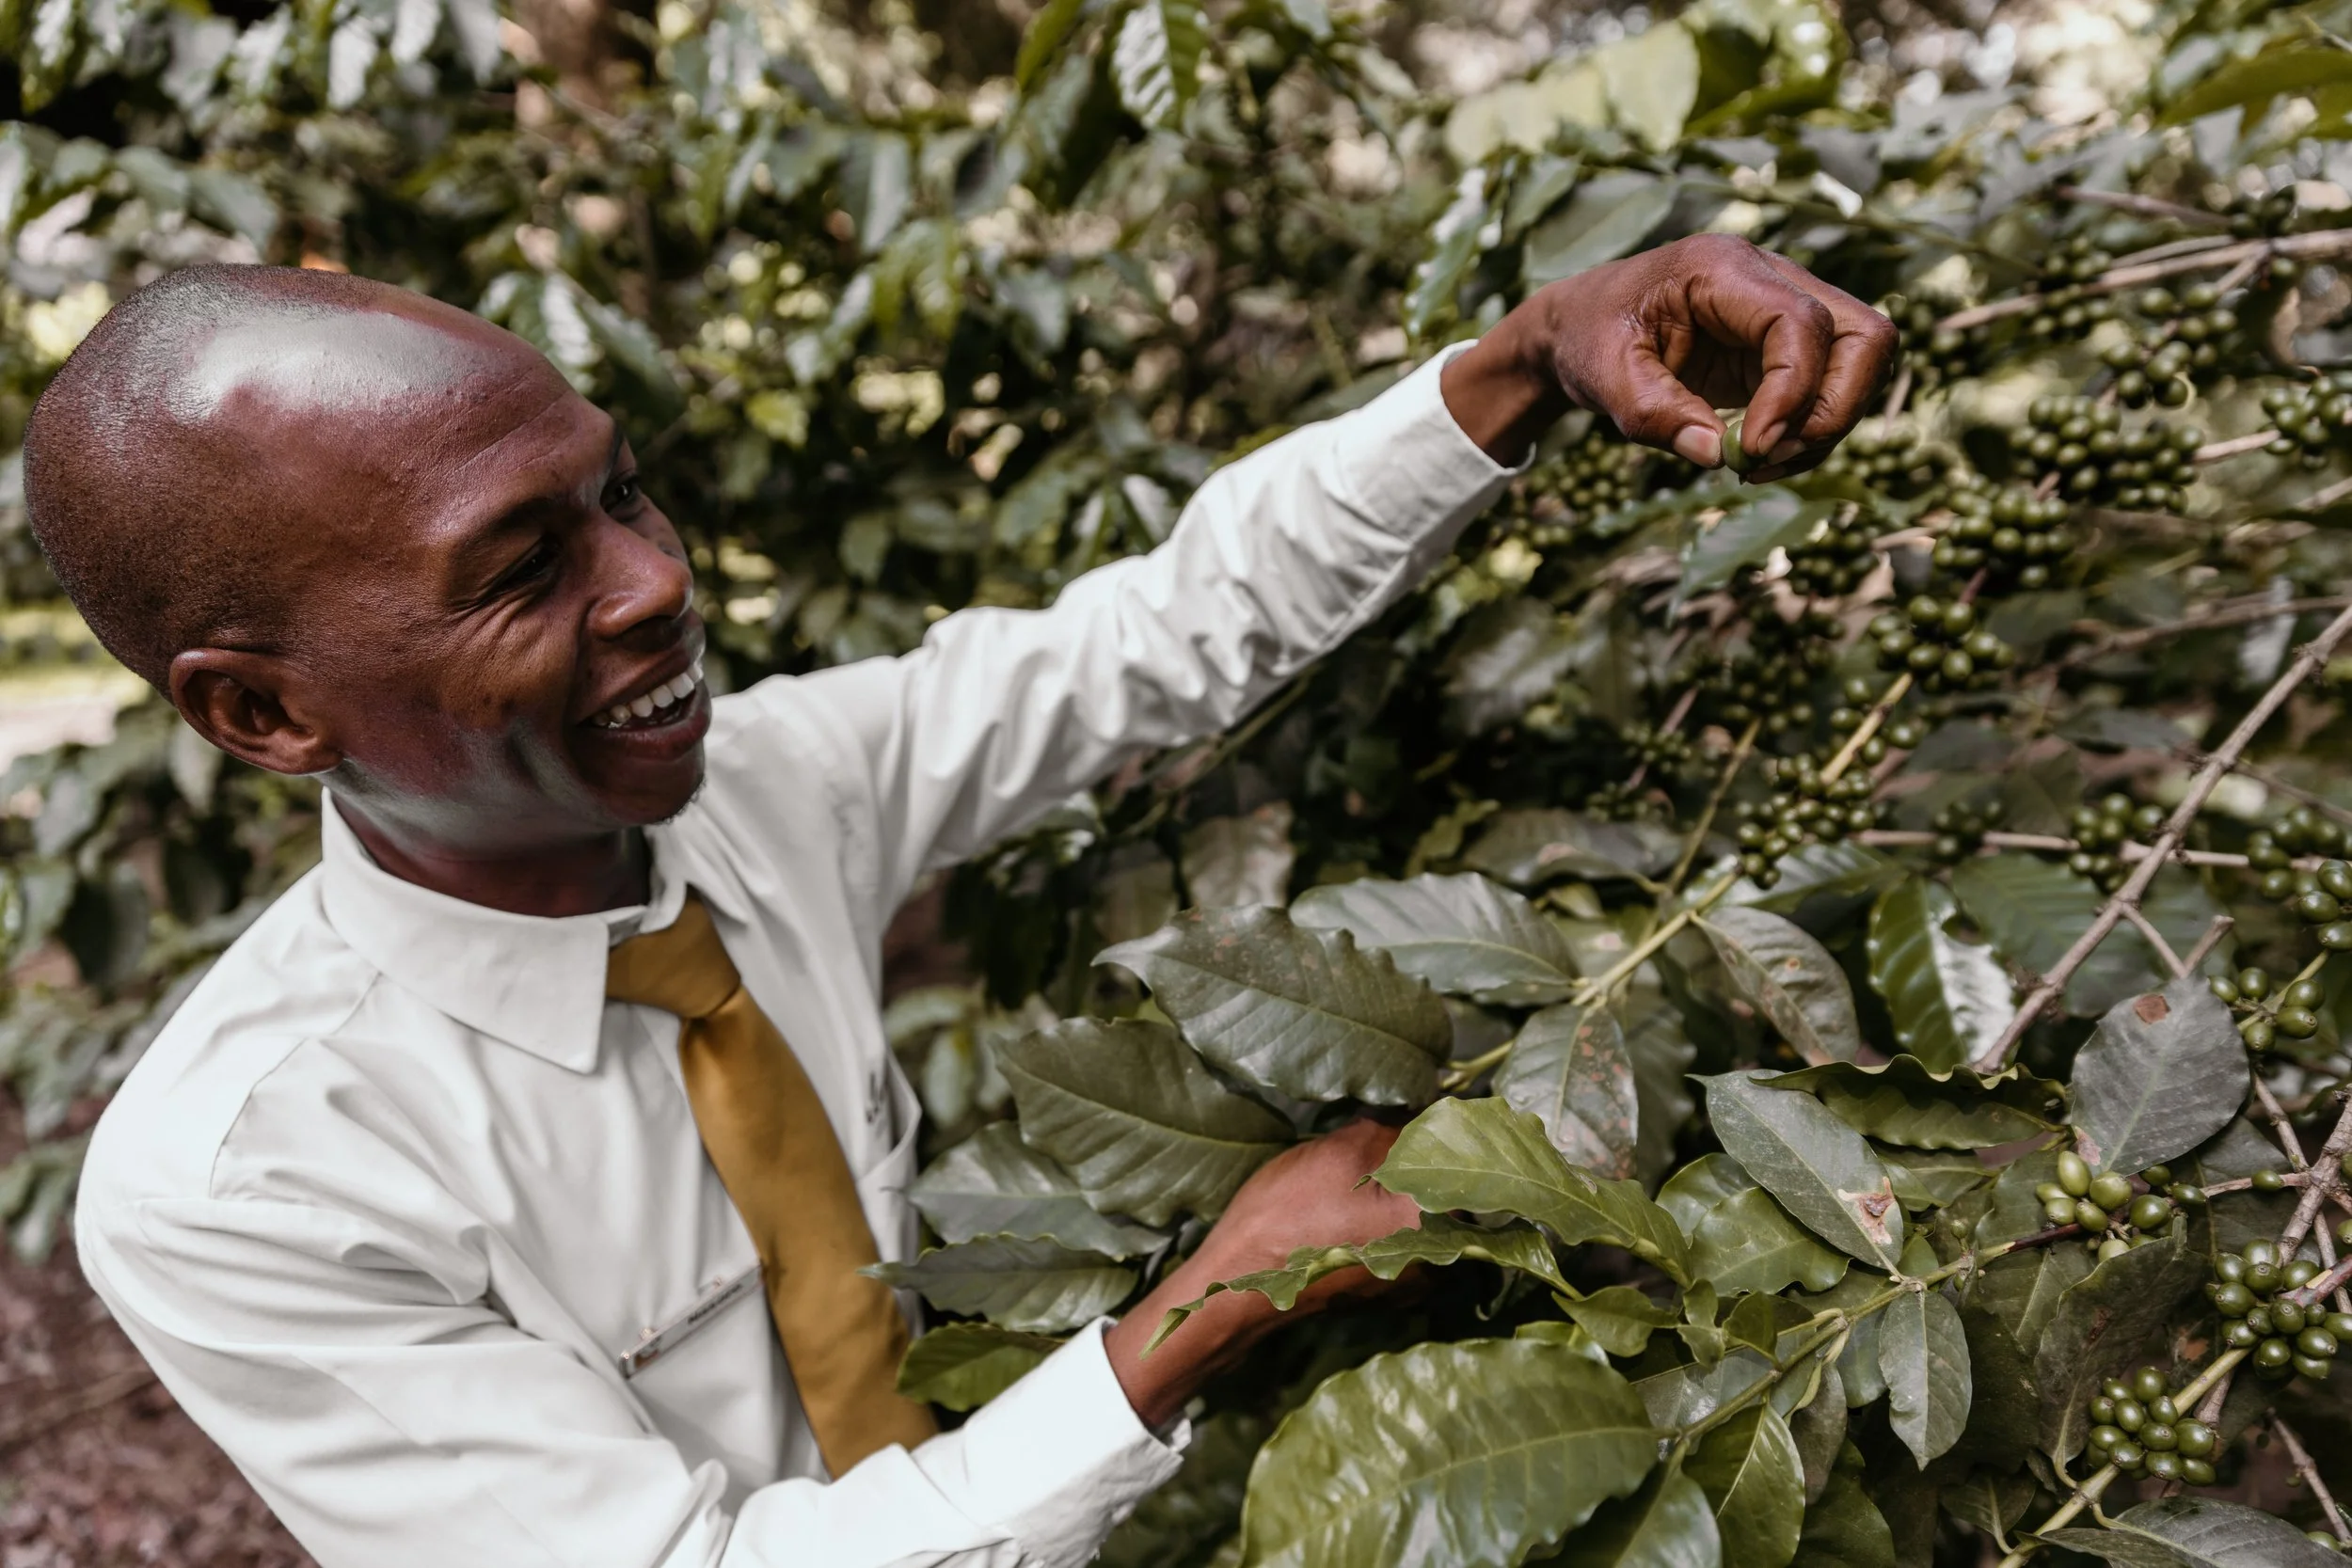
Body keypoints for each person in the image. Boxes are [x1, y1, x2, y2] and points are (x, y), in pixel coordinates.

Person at [25, 232, 1893, 1568]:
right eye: (522, 568)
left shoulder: (761, 789)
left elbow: (1149, 641)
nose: (653, 584)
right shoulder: (245, 1182)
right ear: (263, 711)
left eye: (621, 494)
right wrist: (1211, 1305)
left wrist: (1524, 354)